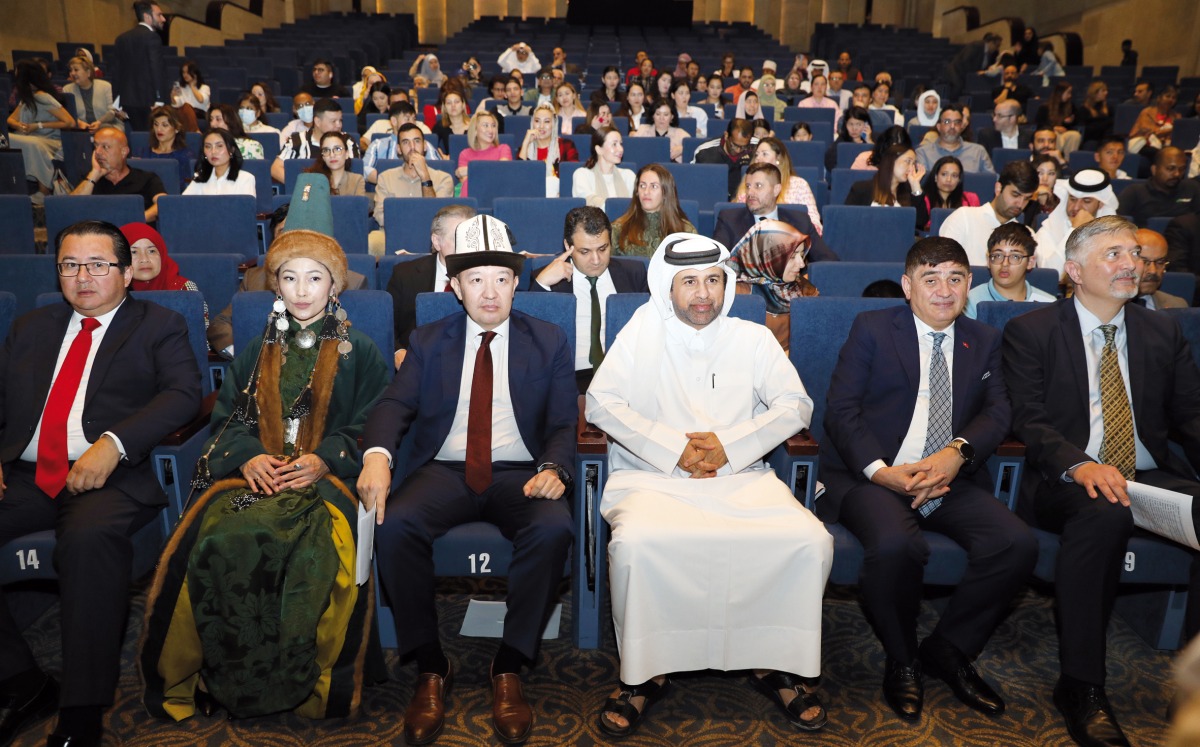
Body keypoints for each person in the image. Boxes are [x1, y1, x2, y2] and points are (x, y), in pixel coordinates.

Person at [141, 180, 391, 722]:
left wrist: (326, 458)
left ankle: (307, 685)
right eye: (290, 277)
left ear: (335, 285)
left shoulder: (361, 350)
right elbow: (227, 416)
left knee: (311, 550)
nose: (302, 290)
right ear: (275, 284)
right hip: (253, 480)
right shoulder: (257, 349)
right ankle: (221, 676)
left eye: (316, 278)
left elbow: (375, 423)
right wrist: (249, 455)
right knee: (221, 537)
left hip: (324, 480)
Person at [586, 232, 833, 737]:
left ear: (727, 284)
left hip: (742, 479)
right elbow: (600, 403)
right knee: (638, 544)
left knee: (807, 541)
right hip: (651, 478)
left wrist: (731, 445)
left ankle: (774, 662)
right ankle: (644, 673)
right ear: (667, 288)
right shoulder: (640, 332)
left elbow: (796, 405)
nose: (704, 294)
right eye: (690, 282)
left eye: (714, 281)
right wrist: (671, 447)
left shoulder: (753, 338)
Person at [358, 214, 576, 746]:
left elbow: (564, 423)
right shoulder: (429, 340)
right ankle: (432, 666)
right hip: (445, 470)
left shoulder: (548, 340)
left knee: (552, 529)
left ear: (516, 282)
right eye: (475, 279)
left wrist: (553, 467)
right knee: (395, 524)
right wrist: (378, 455)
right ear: (454, 287)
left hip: (519, 473)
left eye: (501, 278)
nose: (490, 292)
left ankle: (509, 665)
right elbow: (394, 404)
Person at [0, 220, 201, 747]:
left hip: (110, 478)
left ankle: (82, 710)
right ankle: (23, 682)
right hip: (23, 475)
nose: (82, 277)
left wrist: (113, 443)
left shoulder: (159, 325)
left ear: (127, 271)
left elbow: (183, 394)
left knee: (88, 544)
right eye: (69, 265)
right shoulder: (30, 328)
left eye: (97, 265)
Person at [820, 235, 1037, 723]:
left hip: (948, 477)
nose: (944, 290)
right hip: (875, 476)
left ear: (969, 285)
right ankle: (902, 658)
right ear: (907, 285)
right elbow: (841, 410)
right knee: (897, 546)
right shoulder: (872, 328)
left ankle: (949, 649)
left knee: (1015, 543)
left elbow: (1000, 410)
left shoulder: (983, 339)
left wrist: (957, 454)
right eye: (931, 278)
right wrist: (883, 472)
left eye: (956, 279)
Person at [1003, 215, 1200, 747]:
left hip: (1147, 472)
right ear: (1073, 270)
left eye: (1134, 253)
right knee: (1104, 510)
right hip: (1067, 476)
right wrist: (1079, 463)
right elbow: (1029, 419)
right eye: (1113, 254)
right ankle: (1082, 686)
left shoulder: (1163, 330)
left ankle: (1194, 689)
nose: (1130, 263)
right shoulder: (1032, 330)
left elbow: (1191, 417)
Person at [529, 206, 649, 391]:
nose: (596, 260)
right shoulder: (547, 278)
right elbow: (528, 336)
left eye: (603, 248)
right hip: (570, 380)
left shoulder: (634, 273)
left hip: (623, 380)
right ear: (568, 247)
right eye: (585, 252)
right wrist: (542, 283)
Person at [383, 203, 477, 369]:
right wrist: (397, 352)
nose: (467, 245)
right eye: (458, 238)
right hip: (417, 364)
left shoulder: (486, 277)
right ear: (437, 241)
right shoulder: (406, 274)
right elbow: (386, 325)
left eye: (470, 238)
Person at [715, 163, 836, 262]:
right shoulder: (729, 219)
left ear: (776, 189)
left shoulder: (800, 221)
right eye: (748, 186)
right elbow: (717, 261)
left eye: (758, 186)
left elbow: (828, 260)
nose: (750, 193)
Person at [939, 159, 1038, 266]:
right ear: (998, 188)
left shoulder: (1028, 234)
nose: (1020, 204)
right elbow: (942, 266)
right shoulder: (963, 217)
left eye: (1027, 199)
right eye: (1015, 195)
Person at [6, 60, 76, 202]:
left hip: (52, 141)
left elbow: (70, 122)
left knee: (34, 144)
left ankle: (44, 190)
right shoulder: (27, 98)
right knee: (7, 138)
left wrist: (38, 125)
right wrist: (20, 125)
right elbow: (10, 120)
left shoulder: (43, 97)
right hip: (31, 136)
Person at [71, 126, 167, 224]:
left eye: (105, 147)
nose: (98, 152)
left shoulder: (146, 178)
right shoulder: (89, 180)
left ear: (123, 152)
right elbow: (70, 209)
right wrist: (95, 173)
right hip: (100, 234)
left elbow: (163, 205)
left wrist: (135, 220)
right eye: (96, 146)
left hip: (136, 230)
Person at [120, 221, 209, 326]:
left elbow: (199, 332)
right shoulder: (109, 292)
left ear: (161, 254)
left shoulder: (184, 289)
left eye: (152, 251)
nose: (144, 259)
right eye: (133, 252)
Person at [963, 222, 1056, 318]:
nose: (1005, 264)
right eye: (998, 256)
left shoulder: (1049, 304)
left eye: (1015, 257)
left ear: (1030, 262)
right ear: (988, 260)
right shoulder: (969, 303)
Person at [736, 136, 823, 234]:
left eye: (764, 154)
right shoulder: (748, 185)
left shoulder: (799, 185)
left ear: (779, 159)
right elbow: (739, 220)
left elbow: (814, 223)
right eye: (756, 155)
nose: (758, 158)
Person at [611, 164, 696, 257]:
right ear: (636, 191)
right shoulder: (618, 229)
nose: (646, 192)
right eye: (642, 186)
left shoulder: (685, 231)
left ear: (665, 192)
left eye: (654, 186)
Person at [273, 98, 360, 184]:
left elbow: (354, 173)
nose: (339, 125)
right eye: (333, 121)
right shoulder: (297, 140)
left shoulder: (348, 141)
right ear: (317, 121)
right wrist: (301, 186)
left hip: (339, 194)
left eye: (340, 120)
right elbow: (275, 168)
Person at [847, 144, 930, 231]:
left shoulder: (910, 193)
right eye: (908, 161)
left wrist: (915, 186)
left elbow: (920, 222)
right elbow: (848, 220)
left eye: (913, 164)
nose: (911, 168)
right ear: (891, 161)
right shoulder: (862, 189)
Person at [113, 1, 168, 130]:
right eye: (159, 15)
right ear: (147, 17)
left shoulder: (121, 38)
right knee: (152, 140)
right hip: (150, 102)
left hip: (128, 102)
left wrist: (116, 103)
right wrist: (159, 100)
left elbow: (116, 72)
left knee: (139, 138)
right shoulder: (152, 37)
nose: (163, 19)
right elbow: (157, 70)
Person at [1116, 147, 1200, 227]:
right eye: (1170, 168)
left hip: (1184, 240)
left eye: (1182, 169)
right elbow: (1116, 225)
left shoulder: (1192, 188)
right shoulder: (1134, 192)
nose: (1177, 174)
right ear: (1154, 169)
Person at [362, 102, 439, 182]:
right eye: (407, 119)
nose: (412, 123)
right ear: (394, 121)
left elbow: (439, 170)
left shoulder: (424, 145)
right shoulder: (378, 145)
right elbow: (364, 168)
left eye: (414, 119)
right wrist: (389, 182)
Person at [517, 103, 579, 197]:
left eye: (546, 121)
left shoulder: (566, 145)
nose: (541, 126)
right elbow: (518, 176)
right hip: (531, 197)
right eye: (537, 121)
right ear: (532, 123)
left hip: (559, 197)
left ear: (553, 124)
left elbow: (573, 174)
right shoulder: (524, 149)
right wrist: (525, 143)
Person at [917, 104, 994, 174]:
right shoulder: (923, 153)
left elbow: (990, 182)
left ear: (961, 127)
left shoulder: (978, 152)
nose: (952, 126)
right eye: (947, 122)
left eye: (957, 122)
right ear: (939, 127)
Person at [693, 118, 756, 201]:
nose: (738, 150)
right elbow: (695, 184)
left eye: (744, 147)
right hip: (714, 199)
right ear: (726, 135)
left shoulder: (758, 148)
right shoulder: (704, 152)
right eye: (734, 145)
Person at [572, 127, 635, 209]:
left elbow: (636, 205)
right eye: (614, 144)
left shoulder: (628, 175)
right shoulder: (583, 175)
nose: (620, 149)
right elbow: (589, 202)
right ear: (599, 149)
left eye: (621, 144)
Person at [184, 128, 256, 196]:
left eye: (219, 146)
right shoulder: (200, 178)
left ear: (232, 150)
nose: (213, 152)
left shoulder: (245, 179)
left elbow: (246, 208)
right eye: (208, 147)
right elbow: (184, 204)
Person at [304, 131, 367, 205]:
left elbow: (359, 210)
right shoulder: (310, 179)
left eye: (337, 149)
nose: (332, 155)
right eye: (326, 150)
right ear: (323, 157)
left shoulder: (357, 180)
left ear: (347, 154)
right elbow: (303, 206)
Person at [457, 110, 511, 197]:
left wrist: (471, 170)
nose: (490, 130)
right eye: (485, 125)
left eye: (493, 126)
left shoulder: (503, 148)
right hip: (474, 201)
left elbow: (502, 171)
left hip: (497, 197)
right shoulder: (465, 154)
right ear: (475, 130)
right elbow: (468, 186)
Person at [1134, 227, 1187, 309]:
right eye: (1144, 262)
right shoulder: (1109, 309)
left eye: (1160, 262)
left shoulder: (1177, 306)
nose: (1153, 271)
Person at [923, 155, 981, 228]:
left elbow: (975, 225)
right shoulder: (924, 199)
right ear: (935, 176)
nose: (948, 180)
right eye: (944, 174)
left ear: (959, 179)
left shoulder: (970, 199)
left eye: (954, 175)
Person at [63, 55, 116, 133]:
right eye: (71, 70)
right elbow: (66, 114)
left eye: (76, 70)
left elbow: (113, 111)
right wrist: (79, 122)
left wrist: (99, 122)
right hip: (81, 130)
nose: (72, 73)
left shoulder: (106, 86)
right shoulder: (67, 89)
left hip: (106, 127)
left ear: (88, 72)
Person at [1034, 82, 1082, 159]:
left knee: (1075, 135)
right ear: (1060, 93)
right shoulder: (1045, 107)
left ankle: (1067, 160)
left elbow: (1076, 124)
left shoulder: (1071, 107)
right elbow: (1040, 125)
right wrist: (1053, 128)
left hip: (1066, 133)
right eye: (1068, 93)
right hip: (1050, 131)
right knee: (1055, 135)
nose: (1070, 96)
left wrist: (1070, 122)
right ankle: (1054, 159)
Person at [1130, 85, 1181, 156]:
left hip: (1167, 148)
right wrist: (1167, 131)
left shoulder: (1177, 117)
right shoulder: (1147, 112)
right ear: (1159, 98)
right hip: (1147, 146)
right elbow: (1145, 131)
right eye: (1168, 96)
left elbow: (1178, 136)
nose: (1170, 100)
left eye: (1174, 98)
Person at [824, 105, 872, 173]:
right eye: (850, 124)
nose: (854, 129)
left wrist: (869, 142)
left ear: (866, 124)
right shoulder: (840, 142)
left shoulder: (873, 140)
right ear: (846, 125)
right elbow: (830, 163)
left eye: (858, 124)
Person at [429, 88, 471, 158]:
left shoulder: (474, 125)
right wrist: (442, 156)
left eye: (457, 102)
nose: (453, 105)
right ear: (444, 107)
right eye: (449, 103)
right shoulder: (440, 126)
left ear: (463, 105)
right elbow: (430, 144)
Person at [1078, 81, 1114, 148]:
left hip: (1106, 138)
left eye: (1106, 90)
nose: (1106, 93)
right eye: (1103, 91)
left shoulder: (1109, 108)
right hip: (1092, 139)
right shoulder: (1084, 109)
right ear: (1095, 92)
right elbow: (1086, 130)